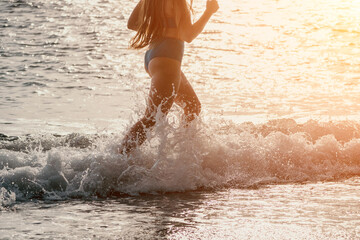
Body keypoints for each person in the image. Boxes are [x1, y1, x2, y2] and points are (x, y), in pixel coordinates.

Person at [120, 0, 219, 155]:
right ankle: (118, 160)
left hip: (154, 56)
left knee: (192, 106)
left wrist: (159, 30)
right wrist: (209, 12)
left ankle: (184, 156)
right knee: (152, 118)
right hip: (168, 59)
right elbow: (188, 35)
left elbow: (132, 23)